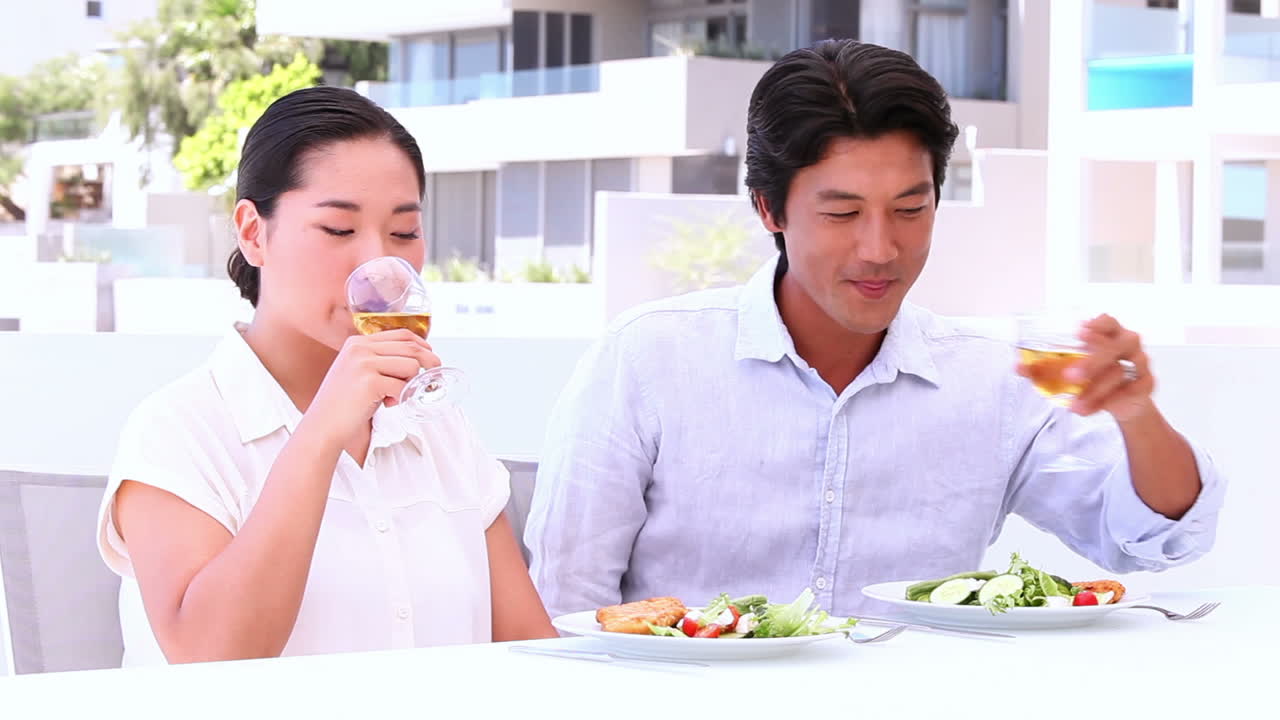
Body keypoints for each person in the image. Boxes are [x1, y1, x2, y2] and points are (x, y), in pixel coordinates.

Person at [524, 39, 1225, 618]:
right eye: (842, 213)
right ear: (770, 209)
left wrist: (1135, 414)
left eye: (910, 209)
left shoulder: (991, 380)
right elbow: (564, 604)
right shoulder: (648, 357)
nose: (880, 250)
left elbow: (1154, 539)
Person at [96, 86, 555, 665]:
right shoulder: (178, 430)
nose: (376, 263)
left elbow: (532, 655)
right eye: (339, 230)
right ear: (253, 232)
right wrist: (319, 434)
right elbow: (207, 660)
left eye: (404, 233)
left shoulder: (437, 427)